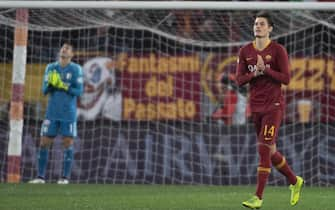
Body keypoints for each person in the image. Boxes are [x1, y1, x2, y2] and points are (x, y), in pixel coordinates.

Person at [236, 12, 304, 209]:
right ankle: (294, 181)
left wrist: (265, 70)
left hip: (273, 106)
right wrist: (254, 73)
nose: (258, 26)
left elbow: (286, 79)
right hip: (255, 106)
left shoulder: (278, 50)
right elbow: (239, 81)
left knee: (263, 148)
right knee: (271, 150)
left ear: (270, 28)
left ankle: (258, 197)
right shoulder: (244, 51)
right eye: (256, 23)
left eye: (262, 24)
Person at [29, 42, 83, 184]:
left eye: (67, 49)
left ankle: (64, 178)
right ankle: (40, 177)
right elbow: (44, 91)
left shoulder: (76, 69)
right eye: (62, 48)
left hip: (68, 113)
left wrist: (63, 85)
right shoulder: (51, 68)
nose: (64, 50)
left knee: (67, 142)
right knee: (44, 142)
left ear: (72, 54)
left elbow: (79, 91)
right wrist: (52, 85)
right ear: (60, 52)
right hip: (52, 112)